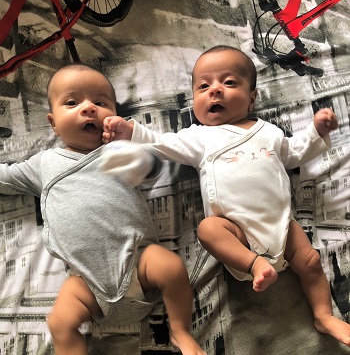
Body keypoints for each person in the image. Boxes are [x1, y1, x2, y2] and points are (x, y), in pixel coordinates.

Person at [101, 45, 350, 347]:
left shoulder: (268, 131)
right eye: (204, 86)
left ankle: (324, 316)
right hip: (237, 233)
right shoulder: (200, 137)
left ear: (252, 96)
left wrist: (317, 131)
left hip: (282, 226)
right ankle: (254, 263)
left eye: (229, 83)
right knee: (209, 228)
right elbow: (163, 143)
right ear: (194, 101)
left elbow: (296, 152)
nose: (215, 91)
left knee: (310, 262)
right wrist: (131, 131)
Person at [0, 64, 206, 355]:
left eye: (100, 102)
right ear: (53, 123)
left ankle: (181, 330)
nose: (88, 108)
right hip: (85, 280)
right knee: (59, 323)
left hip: (137, 261)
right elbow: (6, 178)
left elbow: (152, 169)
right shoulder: (43, 164)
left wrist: (131, 147)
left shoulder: (114, 152)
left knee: (171, 267)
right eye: (72, 103)